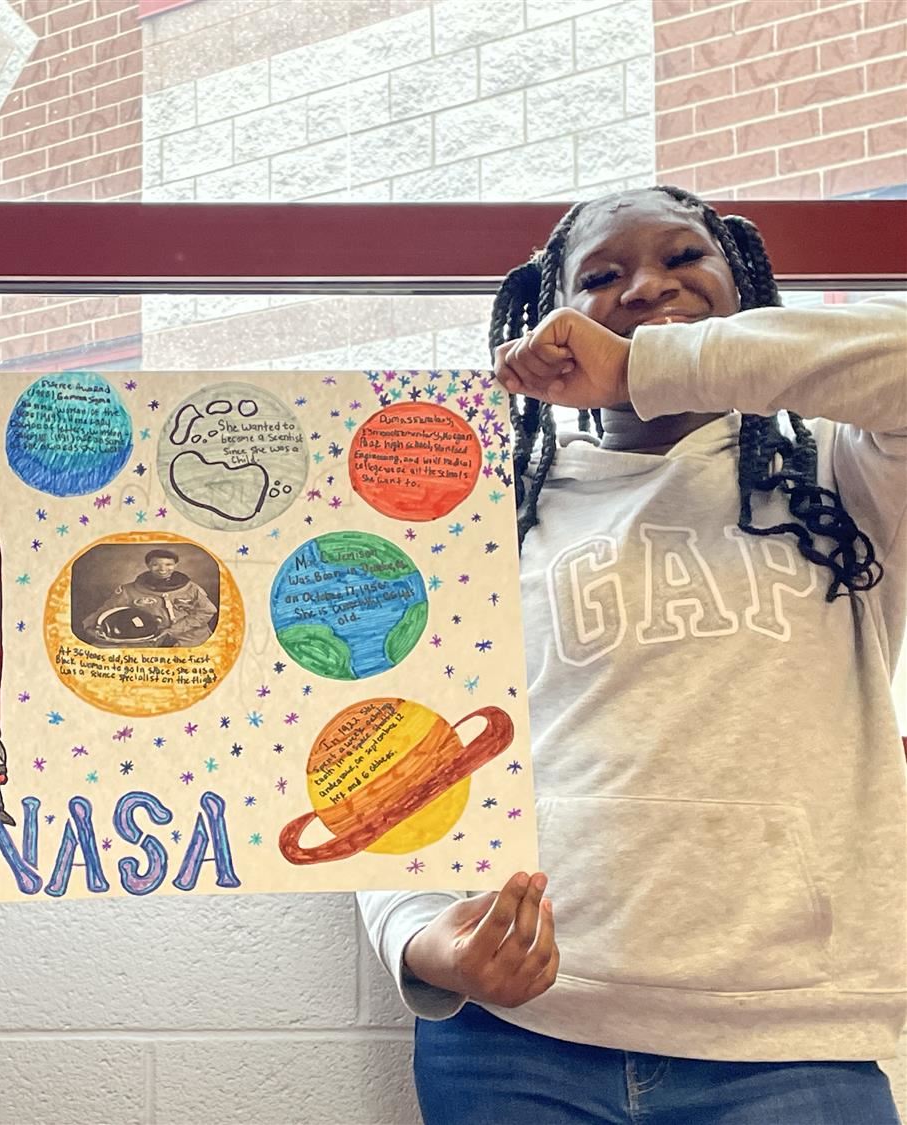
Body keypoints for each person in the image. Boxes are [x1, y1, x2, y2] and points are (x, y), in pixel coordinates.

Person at [358, 186, 906, 1123]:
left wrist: (650, 369)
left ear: (746, 289)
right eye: (602, 277)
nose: (648, 286)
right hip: (516, 1041)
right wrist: (417, 934)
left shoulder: (843, 475)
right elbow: (394, 757)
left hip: (789, 1037)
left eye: (685, 258)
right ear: (552, 313)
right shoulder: (491, 515)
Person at [81, 547, 218, 646]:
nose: (163, 569)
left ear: (176, 565)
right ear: (148, 565)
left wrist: (173, 631)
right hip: (147, 638)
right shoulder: (129, 590)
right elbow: (107, 609)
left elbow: (208, 611)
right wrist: (90, 626)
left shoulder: (191, 588)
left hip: (191, 637)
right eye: (155, 565)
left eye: (168, 564)